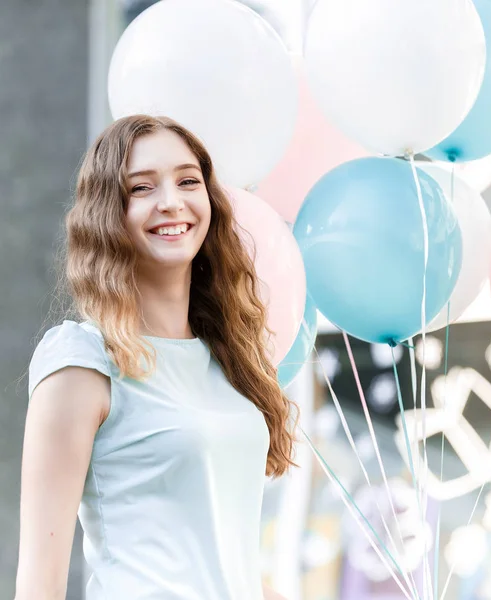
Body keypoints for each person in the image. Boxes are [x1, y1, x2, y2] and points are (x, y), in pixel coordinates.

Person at [14, 114, 298, 600]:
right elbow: (39, 584)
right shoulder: (83, 359)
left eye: (188, 181)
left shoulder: (229, 359)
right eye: (141, 188)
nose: (172, 202)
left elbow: (228, 560)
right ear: (108, 214)